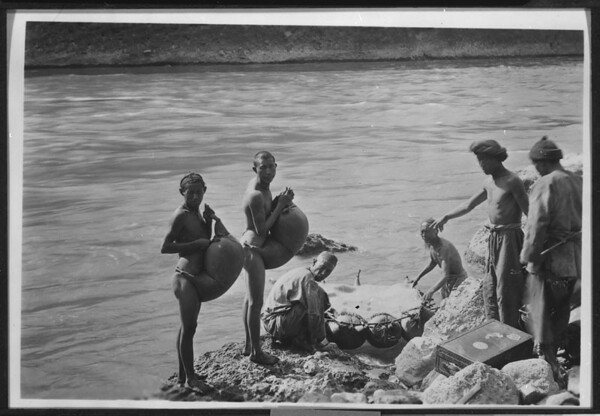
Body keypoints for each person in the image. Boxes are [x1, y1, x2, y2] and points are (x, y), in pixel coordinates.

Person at [432, 140, 529, 329]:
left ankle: (511, 333)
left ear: (495, 158)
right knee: (490, 287)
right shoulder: (488, 183)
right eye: (479, 160)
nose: (480, 165)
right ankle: (492, 328)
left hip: (510, 238)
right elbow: (469, 205)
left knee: (506, 289)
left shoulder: (512, 181)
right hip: (493, 238)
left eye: (483, 160)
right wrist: (446, 216)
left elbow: (530, 213)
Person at [520, 136, 582, 383]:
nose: (536, 168)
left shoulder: (545, 183)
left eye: (536, 164)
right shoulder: (577, 181)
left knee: (541, 310)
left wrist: (528, 257)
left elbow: (537, 224)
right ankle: (555, 355)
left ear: (542, 163)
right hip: (573, 260)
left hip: (549, 260)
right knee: (562, 309)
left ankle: (549, 364)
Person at [160, 172, 230, 392]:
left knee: (188, 328)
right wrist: (197, 244)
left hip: (195, 278)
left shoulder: (198, 214)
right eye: (191, 193)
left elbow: (204, 242)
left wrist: (209, 222)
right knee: (189, 328)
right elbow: (166, 247)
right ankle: (191, 379)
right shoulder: (180, 215)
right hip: (184, 278)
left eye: (199, 192)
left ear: (205, 191)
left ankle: (183, 377)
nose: (195, 197)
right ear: (182, 193)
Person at [241, 151, 295, 365]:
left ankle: (248, 345)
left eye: (272, 166)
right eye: (263, 167)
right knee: (256, 303)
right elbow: (262, 230)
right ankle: (257, 353)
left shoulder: (264, 187)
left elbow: (264, 215)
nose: (269, 171)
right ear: (255, 169)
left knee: (249, 299)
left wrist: (279, 201)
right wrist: (280, 206)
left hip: (250, 246)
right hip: (253, 250)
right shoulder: (255, 194)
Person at [262, 251, 341, 354]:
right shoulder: (308, 280)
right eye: (322, 267)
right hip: (276, 325)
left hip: (272, 321)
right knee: (312, 303)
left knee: (320, 294)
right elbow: (314, 315)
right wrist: (319, 342)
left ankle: (302, 337)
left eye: (328, 271)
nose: (323, 273)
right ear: (314, 262)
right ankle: (314, 342)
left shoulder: (302, 271)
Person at [411, 218, 468, 301]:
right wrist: (418, 278)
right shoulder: (431, 244)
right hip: (447, 280)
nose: (424, 235)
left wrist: (431, 290)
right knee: (443, 304)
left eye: (427, 232)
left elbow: (445, 275)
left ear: (435, 231)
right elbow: (433, 263)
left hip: (458, 279)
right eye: (422, 232)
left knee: (451, 305)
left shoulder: (443, 248)